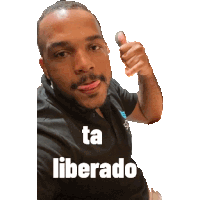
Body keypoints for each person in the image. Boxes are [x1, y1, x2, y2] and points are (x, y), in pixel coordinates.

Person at [37, 1, 163, 199]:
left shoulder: (104, 86)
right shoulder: (48, 137)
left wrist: (145, 73)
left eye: (93, 47)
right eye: (62, 53)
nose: (85, 65)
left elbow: (149, 113)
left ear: (106, 49)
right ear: (45, 67)